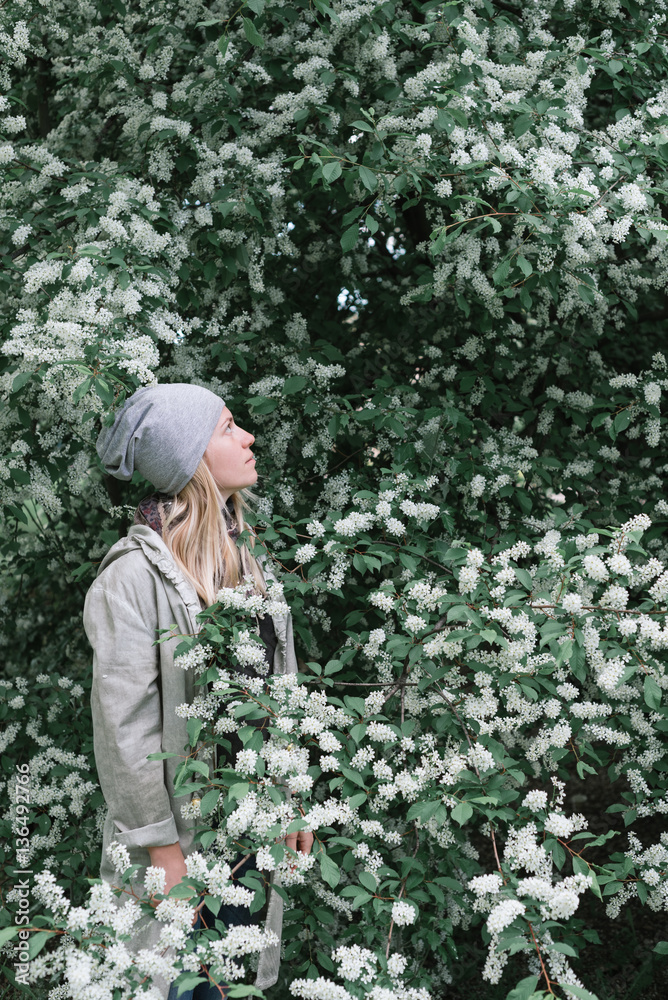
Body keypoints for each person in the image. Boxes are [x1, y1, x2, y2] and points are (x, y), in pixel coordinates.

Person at [83, 383, 314, 1000]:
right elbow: (123, 733)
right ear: (190, 461)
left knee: (235, 982)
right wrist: (163, 852)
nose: (248, 438)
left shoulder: (243, 561)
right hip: (178, 846)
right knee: (178, 985)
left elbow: (278, 689)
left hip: (248, 833)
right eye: (228, 427)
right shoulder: (131, 580)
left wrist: (290, 790)